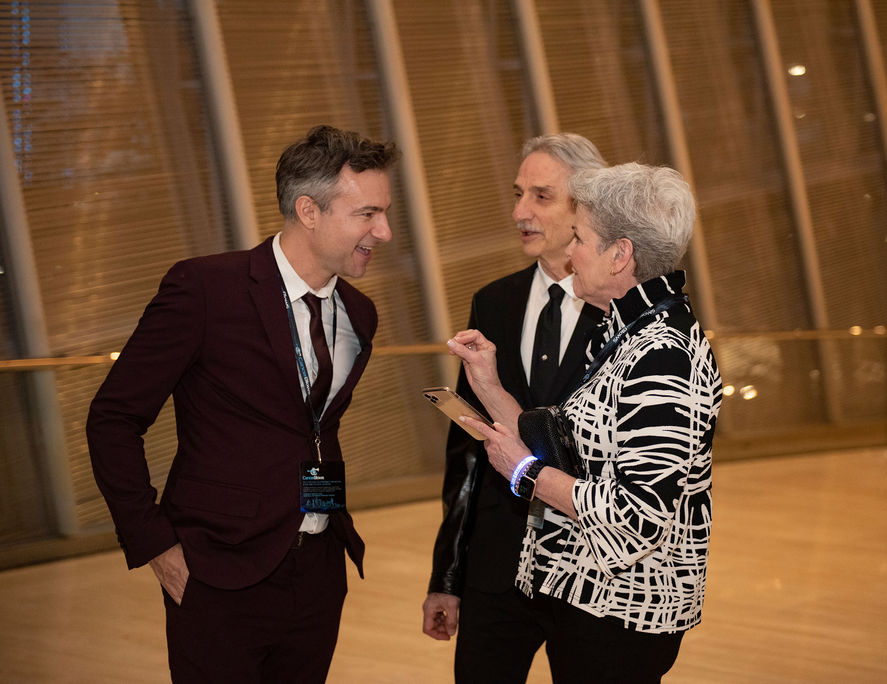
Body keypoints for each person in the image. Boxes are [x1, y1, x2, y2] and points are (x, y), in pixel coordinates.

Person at [86, 125, 399, 683]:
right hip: (218, 570)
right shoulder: (206, 289)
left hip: (319, 571)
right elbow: (113, 418)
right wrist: (155, 542)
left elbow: (312, 432)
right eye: (368, 214)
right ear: (308, 210)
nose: (386, 231)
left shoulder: (360, 313)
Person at [449, 162, 722, 683]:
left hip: (622, 612)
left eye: (580, 237)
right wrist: (486, 384)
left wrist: (524, 472)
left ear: (620, 255)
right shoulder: (629, 333)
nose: (569, 251)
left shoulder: (662, 354)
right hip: (588, 600)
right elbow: (561, 446)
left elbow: (636, 517)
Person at [421, 134, 606, 681]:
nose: (519, 211)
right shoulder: (493, 302)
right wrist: (447, 576)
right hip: (497, 573)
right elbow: (468, 447)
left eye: (541, 197)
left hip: (591, 576)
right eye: (519, 193)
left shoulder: (625, 312)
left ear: (585, 207)